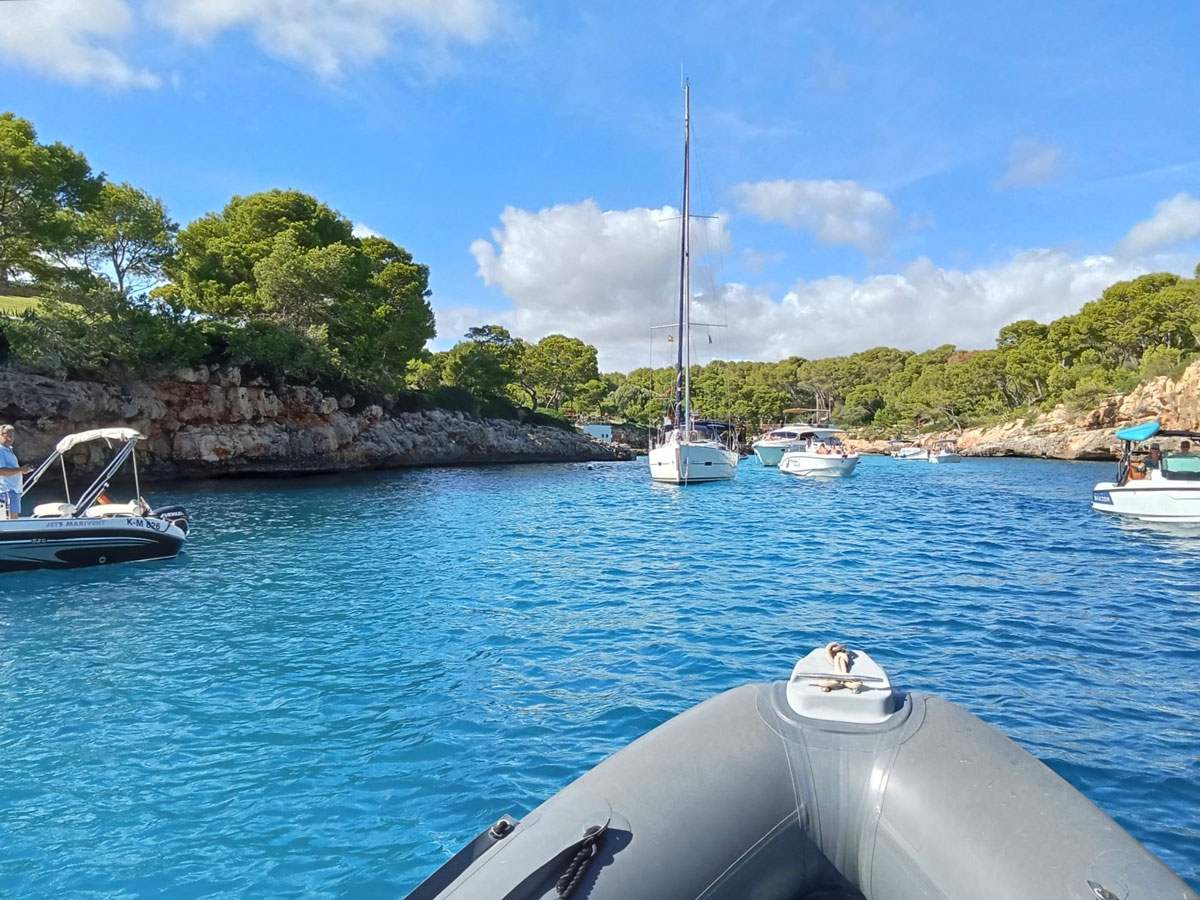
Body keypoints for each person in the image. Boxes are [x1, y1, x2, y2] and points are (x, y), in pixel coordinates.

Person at [0, 424, 34, 518]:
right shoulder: (1, 451)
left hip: (13, 490)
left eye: (12, 436)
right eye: (7, 436)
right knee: (11, 517)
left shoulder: (8, 450)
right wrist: (20, 470)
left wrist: (22, 470)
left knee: (13, 517)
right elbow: (1, 471)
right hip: (7, 490)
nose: (10, 439)